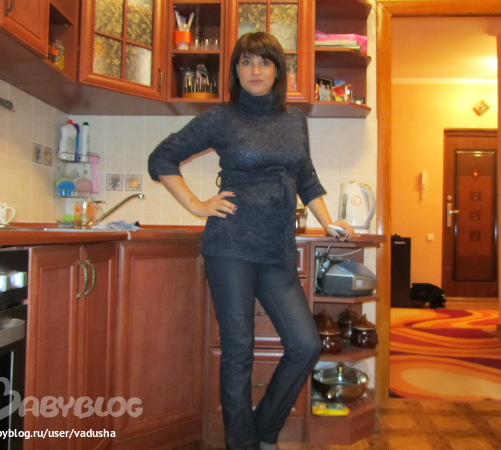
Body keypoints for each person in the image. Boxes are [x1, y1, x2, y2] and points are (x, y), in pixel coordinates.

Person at [148, 32, 354, 450]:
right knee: (238, 349)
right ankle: (241, 444)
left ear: (278, 70)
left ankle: (263, 431)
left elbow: (306, 177)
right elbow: (161, 158)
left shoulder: (294, 119)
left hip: (277, 248)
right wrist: (197, 204)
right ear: (235, 71)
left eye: (264, 61)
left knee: (305, 344)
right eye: (245, 62)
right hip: (231, 246)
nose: (255, 70)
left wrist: (329, 222)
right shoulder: (222, 117)